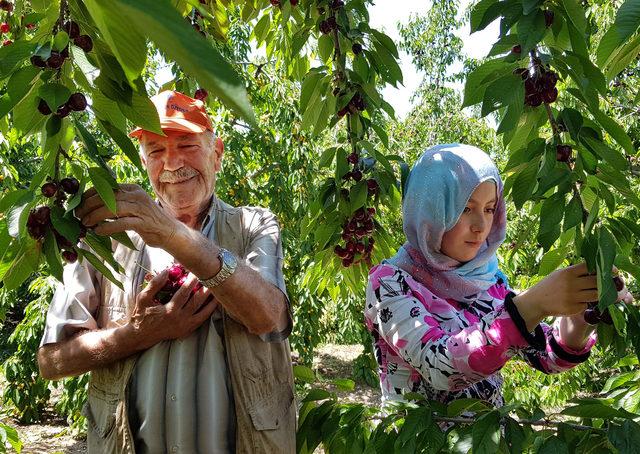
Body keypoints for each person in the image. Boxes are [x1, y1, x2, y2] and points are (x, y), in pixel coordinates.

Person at [37, 90, 296, 453]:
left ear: (217, 154)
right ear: (143, 161)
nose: (172, 163)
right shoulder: (106, 237)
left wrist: (171, 234)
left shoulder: (254, 225)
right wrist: (139, 333)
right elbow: (52, 360)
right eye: (156, 151)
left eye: (187, 145)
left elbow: (269, 316)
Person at [364, 143, 633, 407]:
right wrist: (533, 304)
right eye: (465, 209)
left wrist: (580, 318)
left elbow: (544, 355)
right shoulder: (390, 282)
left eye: (489, 209)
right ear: (431, 210)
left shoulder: (488, 281)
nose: (481, 226)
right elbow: (440, 366)